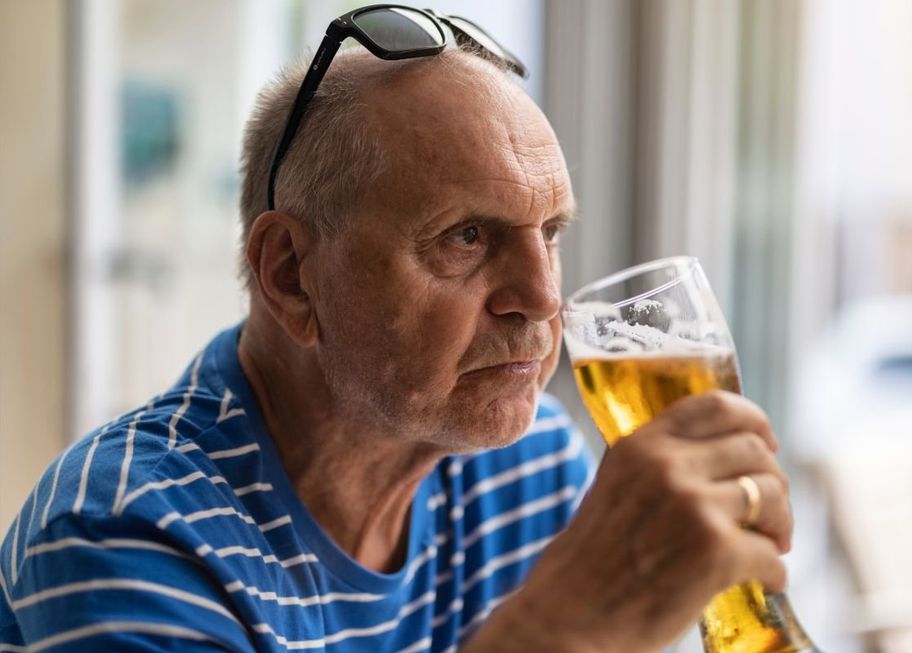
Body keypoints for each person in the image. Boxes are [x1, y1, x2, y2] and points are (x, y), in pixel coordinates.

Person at [0, 7, 792, 652]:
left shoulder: (529, 468)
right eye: (467, 237)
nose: (544, 298)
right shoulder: (126, 536)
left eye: (549, 231)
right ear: (290, 274)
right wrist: (563, 625)